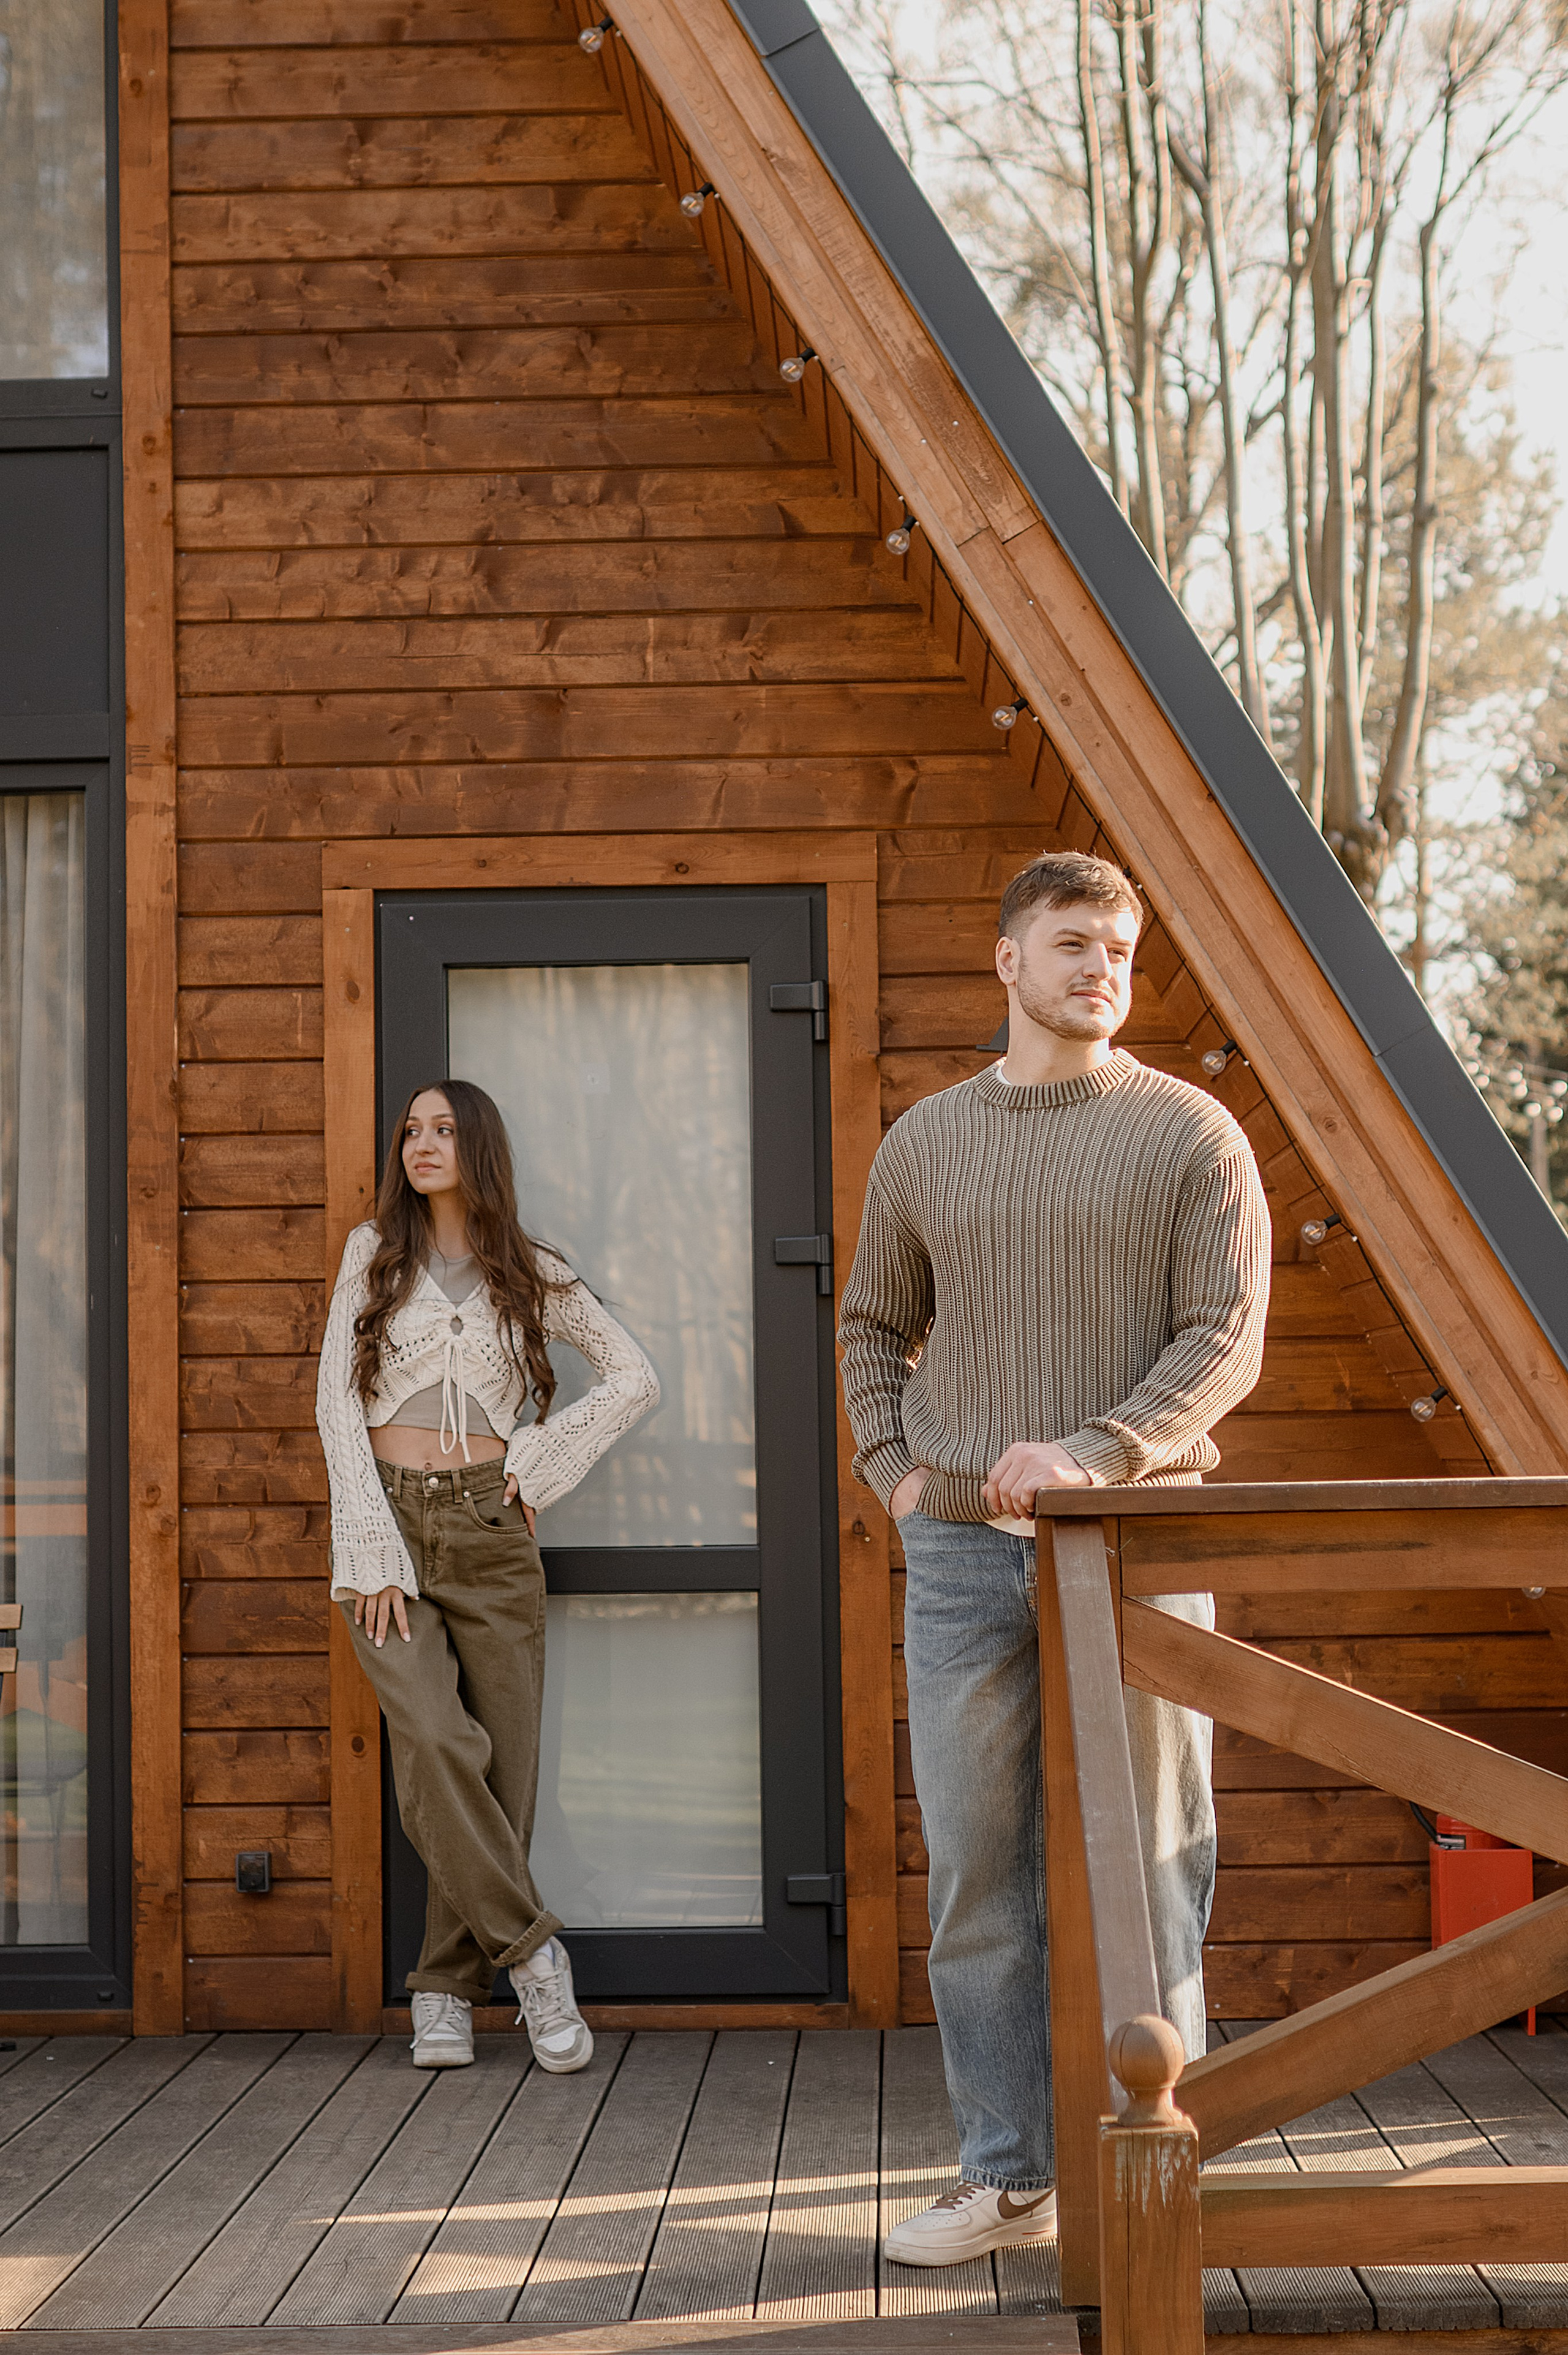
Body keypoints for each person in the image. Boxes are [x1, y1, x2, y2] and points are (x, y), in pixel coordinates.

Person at [839, 850, 1270, 2266]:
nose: (1101, 967)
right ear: (1008, 961)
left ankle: (1164, 2166)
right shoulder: (924, 1142)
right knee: (976, 1868)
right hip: (961, 1556)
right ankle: (1009, 2174)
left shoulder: (1190, 1134)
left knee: (1153, 1859)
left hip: (1137, 1545)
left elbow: (1220, 1337)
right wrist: (895, 1474)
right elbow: (867, 1328)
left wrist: (1094, 1448)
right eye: (1072, 941)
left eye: (1121, 949)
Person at [316, 1078, 659, 2072]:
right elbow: (337, 1406)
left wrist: (543, 1458)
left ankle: (444, 1992)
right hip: (389, 1527)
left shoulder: (530, 1268)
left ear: (481, 1148)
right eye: (412, 1131)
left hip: (490, 1527)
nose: (423, 1145)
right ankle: (535, 1955)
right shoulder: (371, 1256)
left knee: (498, 1773)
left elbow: (633, 1375)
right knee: (432, 1738)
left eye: (445, 1130)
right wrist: (370, 1543)